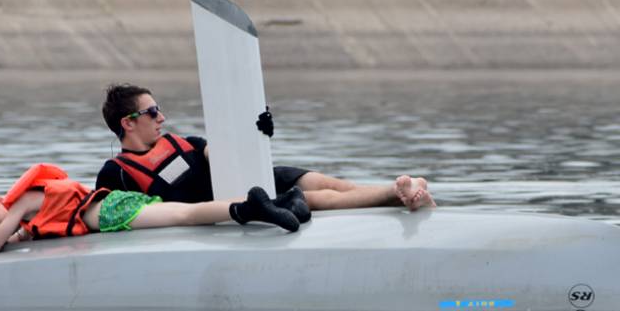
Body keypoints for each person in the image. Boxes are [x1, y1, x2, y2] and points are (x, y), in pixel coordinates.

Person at [94, 83, 435, 214]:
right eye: (152, 111)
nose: (162, 117)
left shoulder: (186, 143)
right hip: (240, 201)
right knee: (317, 198)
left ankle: (401, 193)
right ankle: (396, 193)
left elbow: (226, 154)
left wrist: (256, 132)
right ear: (128, 123)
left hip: (255, 177)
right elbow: (112, 219)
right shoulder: (116, 173)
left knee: (324, 182)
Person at [0, 162, 300, 255]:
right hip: (115, 206)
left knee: (185, 215)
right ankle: (272, 204)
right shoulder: (29, 220)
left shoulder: (22, 203)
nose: (1, 224)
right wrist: (4, 238)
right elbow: (19, 237)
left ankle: (251, 209)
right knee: (184, 212)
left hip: (111, 212)